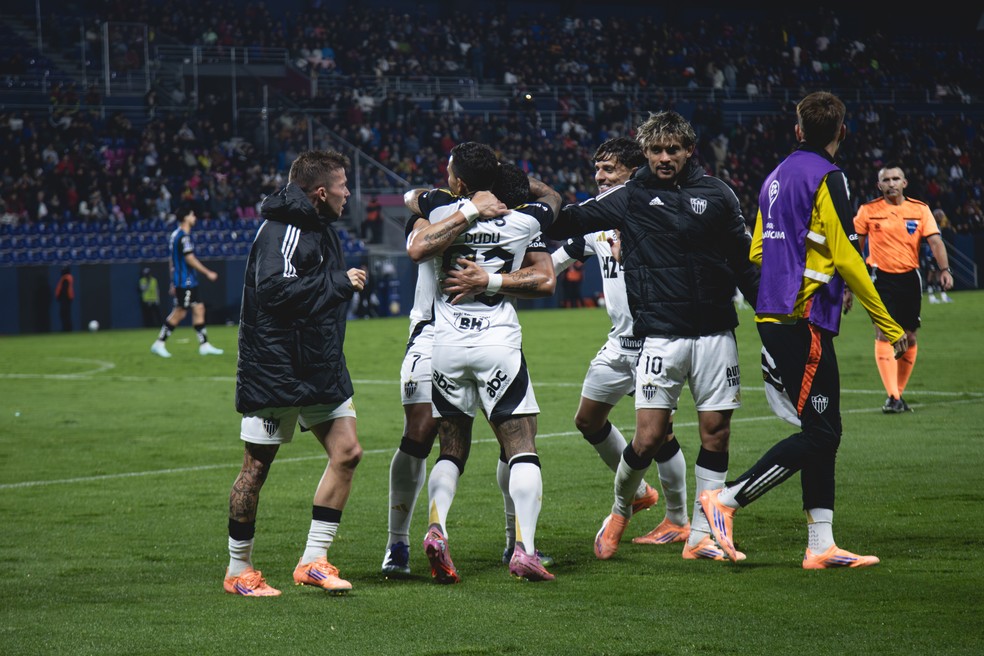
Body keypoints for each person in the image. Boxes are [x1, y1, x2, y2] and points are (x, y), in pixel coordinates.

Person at [699, 91, 908, 570]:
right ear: (843, 132)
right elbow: (846, 253)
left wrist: (795, 270)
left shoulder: (774, 177)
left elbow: (756, 252)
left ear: (797, 131)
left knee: (824, 429)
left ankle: (821, 545)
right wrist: (885, 319)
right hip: (802, 318)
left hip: (780, 312)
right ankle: (726, 500)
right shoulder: (827, 176)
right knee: (821, 432)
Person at [545, 111, 760, 561]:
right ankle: (621, 511)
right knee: (647, 439)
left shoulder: (718, 194)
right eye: (657, 150)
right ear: (645, 152)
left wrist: (771, 311)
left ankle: (702, 536)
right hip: (659, 336)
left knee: (715, 433)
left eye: (673, 150)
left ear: (688, 150)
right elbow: (567, 222)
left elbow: (743, 261)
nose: (665, 158)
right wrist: (529, 195)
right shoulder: (630, 195)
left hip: (716, 331)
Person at [382, 163, 559, 579]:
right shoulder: (445, 213)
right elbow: (416, 224)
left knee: (455, 444)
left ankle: (500, 539)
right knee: (500, 438)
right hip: (440, 334)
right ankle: (398, 543)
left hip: (445, 340)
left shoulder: (439, 209)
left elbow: (412, 197)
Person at [223, 150, 368, 596]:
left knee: (347, 453)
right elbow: (274, 292)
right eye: (343, 185)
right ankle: (238, 570)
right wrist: (339, 283)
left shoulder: (318, 227)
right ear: (321, 192)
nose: (348, 193)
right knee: (255, 470)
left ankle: (313, 560)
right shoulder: (282, 229)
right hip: (277, 370)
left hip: (317, 365)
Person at [853, 165, 953, 413]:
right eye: (886, 180)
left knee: (909, 336)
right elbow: (855, 248)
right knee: (884, 333)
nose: (891, 183)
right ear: (879, 185)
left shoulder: (919, 210)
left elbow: (935, 240)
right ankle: (893, 396)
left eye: (896, 178)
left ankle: (897, 394)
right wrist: (849, 284)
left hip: (910, 277)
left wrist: (945, 270)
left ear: (904, 182)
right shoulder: (868, 211)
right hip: (880, 278)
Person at [150, 206, 223, 357]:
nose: (194, 217)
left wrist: (172, 281)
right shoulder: (183, 237)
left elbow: (172, 260)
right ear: (185, 218)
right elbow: (189, 258)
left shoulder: (176, 235)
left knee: (199, 309)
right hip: (185, 282)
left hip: (187, 281)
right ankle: (159, 343)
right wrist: (208, 272)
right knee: (180, 313)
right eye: (192, 215)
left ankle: (204, 345)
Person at [54, 266, 74, 332]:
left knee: (65, 314)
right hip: (66, 299)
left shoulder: (66, 279)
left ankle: (67, 329)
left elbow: (65, 290)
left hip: (65, 299)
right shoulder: (66, 278)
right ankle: (66, 329)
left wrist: (60, 297)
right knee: (65, 315)